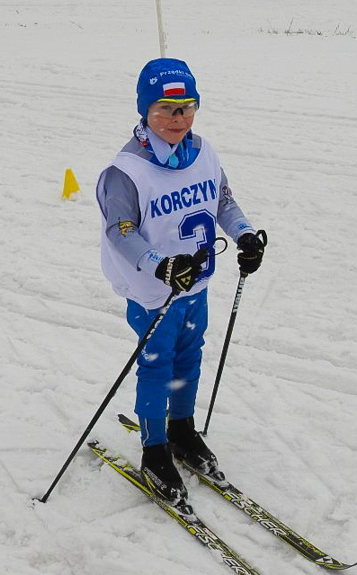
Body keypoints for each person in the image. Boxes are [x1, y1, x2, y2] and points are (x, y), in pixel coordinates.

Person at [96, 58, 266, 504]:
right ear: (144, 112)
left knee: (190, 358)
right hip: (155, 292)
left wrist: (245, 233)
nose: (178, 119)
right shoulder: (126, 171)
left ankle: (182, 429)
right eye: (165, 110)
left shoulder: (203, 152)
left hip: (195, 285)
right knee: (157, 365)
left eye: (187, 107)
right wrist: (159, 265)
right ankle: (154, 451)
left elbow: (222, 200)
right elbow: (121, 230)